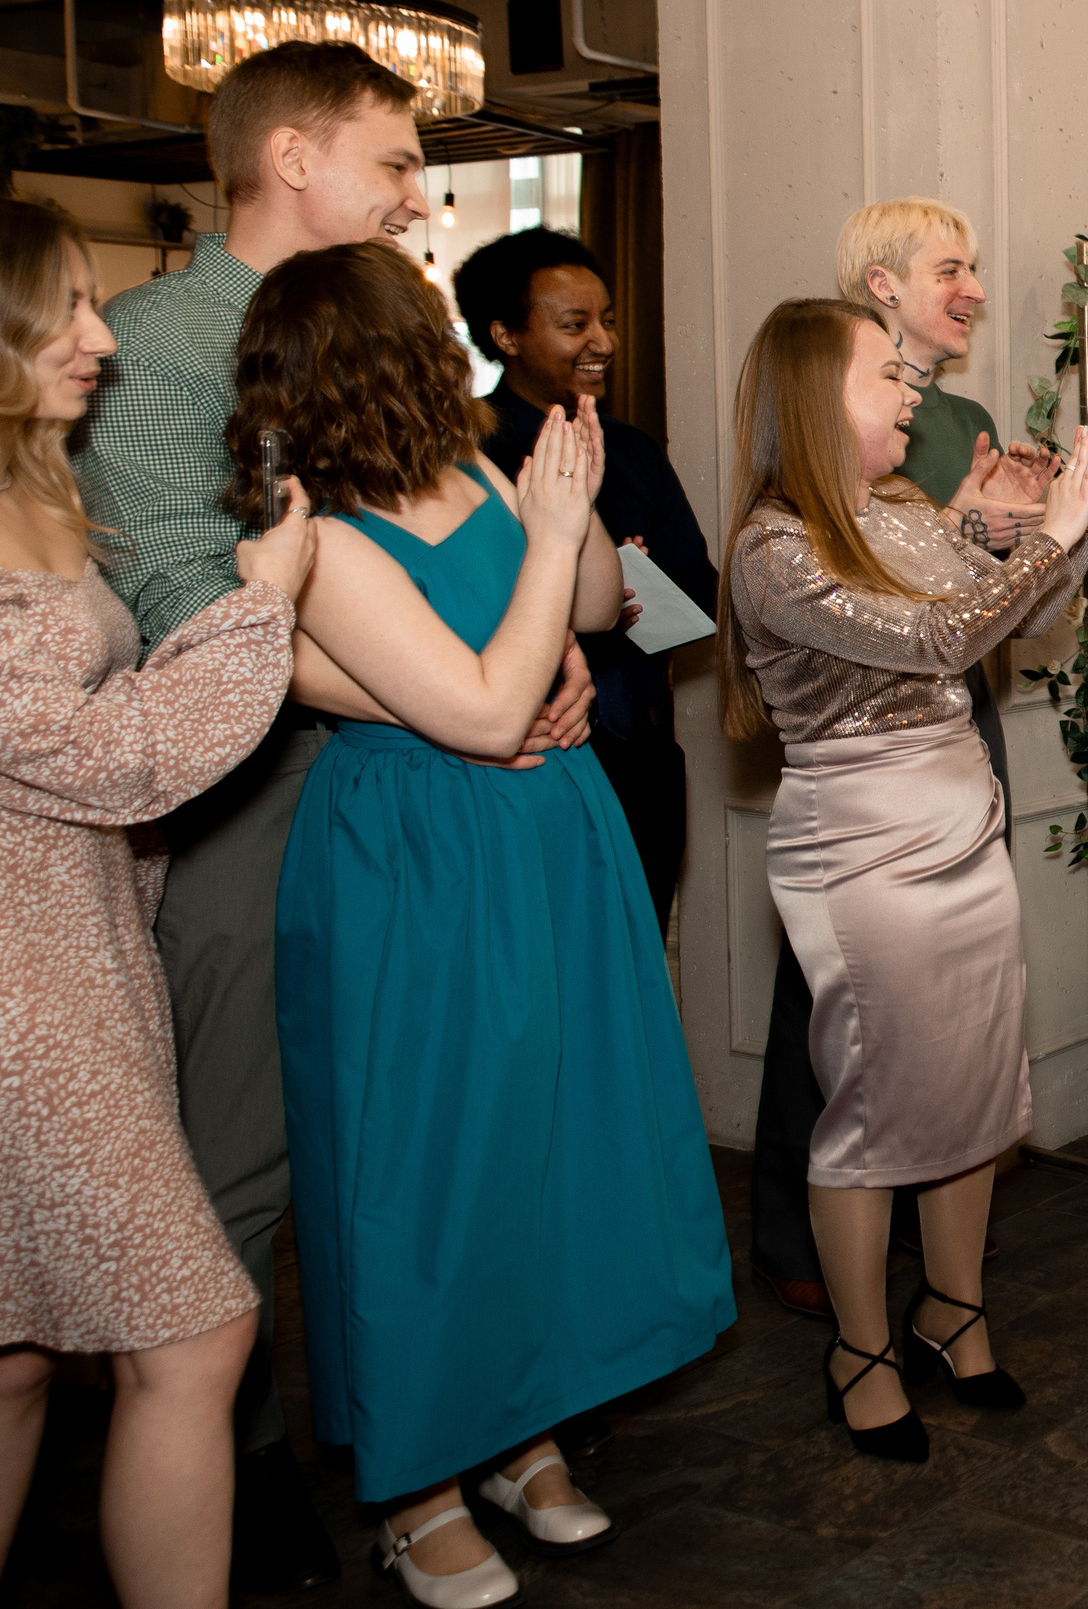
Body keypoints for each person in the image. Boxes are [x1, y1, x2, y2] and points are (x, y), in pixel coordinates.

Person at [70, 43, 591, 1595]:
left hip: (440, 784)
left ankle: (468, 1417)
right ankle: (235, 1463)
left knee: (453, 1125)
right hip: (254, 791)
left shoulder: (381, 323)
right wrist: (456, 694)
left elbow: (475, 530)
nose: (413, 193)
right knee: (255, 1157)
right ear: (292, 154)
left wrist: (540, 653)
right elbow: (184, 597)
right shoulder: (165, 340)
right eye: (392, 160)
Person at [237, 241, 734, 1605]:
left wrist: (565, 526)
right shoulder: (318, 531)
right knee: (425, 1163)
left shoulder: (471, 473)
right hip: (416, 858)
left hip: (545, 838)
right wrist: (557, 563)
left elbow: (584, 616)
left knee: (546, 1141)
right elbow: (476, 707)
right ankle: (415, 1481)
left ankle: (519, 1429)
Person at [718, 298, 1088, 1460]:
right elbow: (940, 641)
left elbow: (1011, 612)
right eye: (887, 376)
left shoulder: (896, 510)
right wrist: (1043, 535)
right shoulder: (773, 549)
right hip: (863, 848)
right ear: (813, 399)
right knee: (877, 1101)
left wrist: (1067, 526)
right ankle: (862, 1345)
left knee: (974, 1092)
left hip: (961, 834)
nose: (911, 394)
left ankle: (953, 1310)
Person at [0, 198, 314, 1609]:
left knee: (14, 1359)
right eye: (62, 309)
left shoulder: (40, 485)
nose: (95, 337)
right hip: (22, 989)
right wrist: (267, 601)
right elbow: (102, 750)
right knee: (196, 1330)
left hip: (86, 946)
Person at [749, 198, 1053, 1318]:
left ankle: (948, 1293)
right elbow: (917, 614)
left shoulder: (950, 417)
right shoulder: (794, 492)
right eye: (950, 266)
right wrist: (1010, 547)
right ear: (879, 287)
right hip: (860, 781)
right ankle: (822, 1266)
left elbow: (951, 580)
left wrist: (999, 531)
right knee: (845, 1025)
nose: (970, 286)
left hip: (948, 738)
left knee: (962, 1031)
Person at [457, 226, 717, 932]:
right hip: (534, 756)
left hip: (644, 762)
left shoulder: (630, 450)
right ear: (505, 336)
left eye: (606, 320)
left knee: (639, 962)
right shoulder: (469, 454)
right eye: (575, 324)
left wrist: (620, 587)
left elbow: (696, 588)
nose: (601, 341)